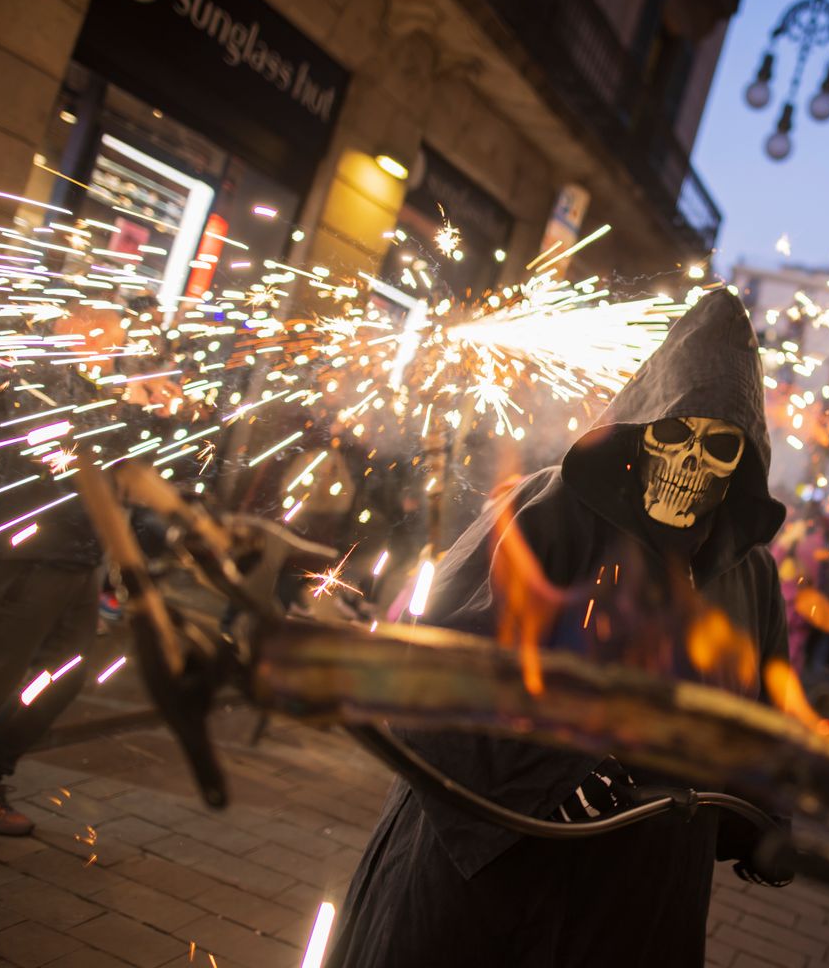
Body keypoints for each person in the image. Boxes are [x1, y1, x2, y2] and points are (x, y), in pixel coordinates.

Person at [325, 290, 794, 968]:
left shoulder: (750, 576)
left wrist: (764, 815)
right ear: (641, 432)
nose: (690, 462)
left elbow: (765, 715)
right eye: (675, 434)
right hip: (504, 865)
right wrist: (546, 775)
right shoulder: (550, 511)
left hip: (640, 888)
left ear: (742, 462)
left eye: (717, 447)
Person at [0, 304, 185, 842]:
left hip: (74, 555)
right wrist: (129, 408)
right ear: (76, 327)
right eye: (110, 334)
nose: (117, 345)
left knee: (61, 675)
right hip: (23, 555)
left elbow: (116, 463)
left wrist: (158, 414)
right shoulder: (29, 375)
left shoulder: (87, 384)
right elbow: (58, 453)